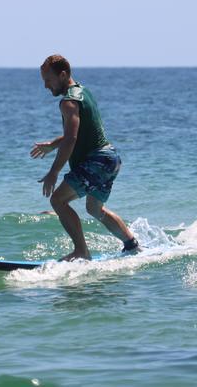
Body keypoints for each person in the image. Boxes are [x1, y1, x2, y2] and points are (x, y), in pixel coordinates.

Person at [31, 54, 139, 261]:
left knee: (58, 200)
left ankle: (81, 251)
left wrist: (53, 172)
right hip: (111, 159)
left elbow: (71, 138)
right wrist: (53, 145)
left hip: (97, 160)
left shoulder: (68, 101)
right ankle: (131, 244)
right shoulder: (83, 91)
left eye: (48, 80)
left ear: (62, 75)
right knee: (94, 208)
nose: (46, 86)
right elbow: (81, 131)